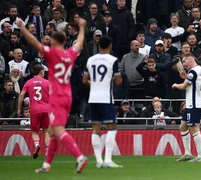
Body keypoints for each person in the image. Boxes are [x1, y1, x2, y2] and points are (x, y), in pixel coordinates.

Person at [15, 17, 88, 173]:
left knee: (58, 130)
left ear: (54, 42)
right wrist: (82, 27)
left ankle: (80, 157)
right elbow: (80, 43)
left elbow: (34, 42)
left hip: (56, 97)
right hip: (67, 96)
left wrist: (22, 27)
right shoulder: (70, 53)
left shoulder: (52, 53)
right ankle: (47, 165)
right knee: (53, 132)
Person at [82, 36, 123, 168]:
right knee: (112, 127)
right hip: (106, 97)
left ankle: (99, 161)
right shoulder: (113, 60)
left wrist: (94, 85)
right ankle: (108, 160)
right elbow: (118, 81)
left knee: (95, 129)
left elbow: (84, 80)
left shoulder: (91, 59)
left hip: (93, 97)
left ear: (99, 46)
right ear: (110, 46)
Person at [172, 52, 201, 162]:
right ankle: (187, 153)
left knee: (194, 128)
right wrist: (185, 78)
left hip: (194, 104)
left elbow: (183, 86)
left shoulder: (193, 72)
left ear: (190, 59)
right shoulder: (199, 69)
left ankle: (200, 156)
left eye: (185, 61)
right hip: (192, 103)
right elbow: (192, 83)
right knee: (183, 126)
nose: (184, 64)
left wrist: (175, 85)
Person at [17, 65, 50, 159]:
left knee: (35, 132)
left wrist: (19, 109)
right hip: (46, 109)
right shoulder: (47, 82)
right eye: (43, 71)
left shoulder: (28, 82)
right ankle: (47, 150)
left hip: (34, 109)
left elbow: (21, 94)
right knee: (46, 131)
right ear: (41, 72)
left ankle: (36, 145)